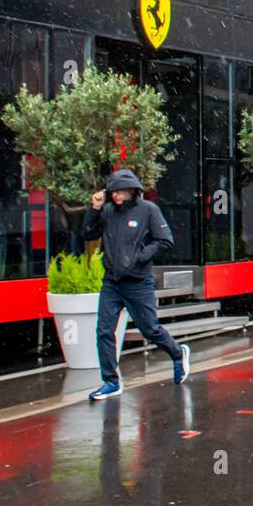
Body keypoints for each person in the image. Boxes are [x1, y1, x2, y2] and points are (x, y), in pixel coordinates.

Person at [83, 168, 190, 400]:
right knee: (104, 330)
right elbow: (88, 233)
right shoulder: (108, 211)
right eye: (112, 191)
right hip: (112, 282)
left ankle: (177, 352)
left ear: (131, 190)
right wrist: (95, 208)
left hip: (139, 283)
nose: (114, 196)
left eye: (118, 191)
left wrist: (140, 257)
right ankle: (110, 381)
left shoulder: (148, 210)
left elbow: (165, 240)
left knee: (150, 330)